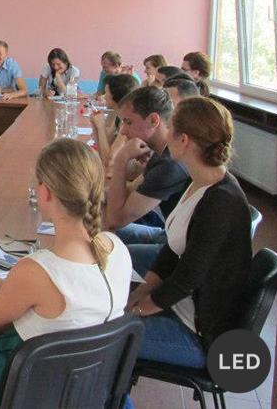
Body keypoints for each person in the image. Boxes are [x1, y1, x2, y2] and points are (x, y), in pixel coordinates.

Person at [0, 138, 132, 409]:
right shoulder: (116, 249)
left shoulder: (38, 269)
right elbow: (42, 298)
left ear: (45, 192)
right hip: (86, 388)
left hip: (24, 393)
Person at [125, 97, 251, 388]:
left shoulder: (220, 202)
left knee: (100, 336)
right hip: (183, 308)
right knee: (110, 313)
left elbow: (186, 278)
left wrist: (137, 310)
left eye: (171, 129)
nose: (165, 134)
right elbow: (172, 250)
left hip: (199, 336)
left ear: (184, 140)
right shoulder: (199, 181)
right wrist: (140, 294)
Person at [107, 86, 190, 257]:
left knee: (107, 256)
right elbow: (129, 191)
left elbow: (116, 219)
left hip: (178, 252)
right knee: (93, 231)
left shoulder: (170, 164)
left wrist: (121, 160)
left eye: (128, 122)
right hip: (168, 234)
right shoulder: (162, 151)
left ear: (153, 120)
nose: (123, 131)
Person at [90, 74, 138, 169]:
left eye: (106, 93)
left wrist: (101, 127)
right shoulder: (118, 117)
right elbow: (103, 149)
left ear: (116, 96)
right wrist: (95, 125)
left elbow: (109, 161)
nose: (104, 97)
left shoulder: (128, 122)